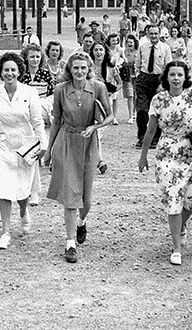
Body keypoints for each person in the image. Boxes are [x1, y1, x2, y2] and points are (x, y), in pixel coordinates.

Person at [138, 61, 192, 265]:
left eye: (179, 75)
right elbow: (150, 130)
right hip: (166, 152)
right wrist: (143, 155)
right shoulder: (158, 100)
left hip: (190, 151)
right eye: (172, 74)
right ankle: (176, 248)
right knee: (173, 198)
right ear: (166, 77)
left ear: (185, 77)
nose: (176, 78)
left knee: (189, 201)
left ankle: (181, 226)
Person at [43, 52, 113, 263]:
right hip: (66, 140)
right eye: (75, 68)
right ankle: (70, 243)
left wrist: (95, 127)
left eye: (83, 68)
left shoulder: (98, 87)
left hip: (89, 142)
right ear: (69, 70)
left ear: (89, 69)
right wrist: (48, 151)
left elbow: (110, 116)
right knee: (70, 196)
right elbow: (56, 121)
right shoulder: (60, 90)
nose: (79, 71)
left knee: (86, 200)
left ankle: (82, 222)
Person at [0, 53, 46, 249]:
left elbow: (37, 121)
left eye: (13, 70)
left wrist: (43, 145)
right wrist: (0, 137)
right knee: (4, 188)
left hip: (25, 144)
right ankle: (5, 231)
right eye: (6, 70)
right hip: (3, 145)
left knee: (22, 187)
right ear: (1, 72)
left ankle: (23, 211)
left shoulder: (29, 92)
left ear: (19, 72)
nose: (10, 73)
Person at [20, 43, 55, 205]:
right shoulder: (22, 75)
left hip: (41, 115)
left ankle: (35, 191)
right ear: (26, 58)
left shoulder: (46, 75)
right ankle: (26, 189)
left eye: (37, 57)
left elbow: (51, 95)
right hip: (25, 117)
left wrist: (41, 107)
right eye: (32, 57)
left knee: (36, 153)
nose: (35, 60)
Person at [134, 26, 172, 149]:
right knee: (142, 110)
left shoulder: (165, 48)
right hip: (144, 79)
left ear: (159, 34)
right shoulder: (143, 47)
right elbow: (137, 63)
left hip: (158, 79)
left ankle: (155, 138)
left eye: (156, 33)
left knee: (157, 110)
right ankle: (142, 137)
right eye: (151, 34)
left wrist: (163, 84)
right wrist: (138, 76)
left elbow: (168, 67)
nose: (154, 36)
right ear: (148, 34)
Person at [90, 41, 117, 174]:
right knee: (94, 132)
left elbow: (120, 83)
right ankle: (99, 160)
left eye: (101, 50)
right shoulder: (88, 67)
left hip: (105, 102)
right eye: (96, 50)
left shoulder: (110, 68)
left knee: (98, 131)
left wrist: (111, 92)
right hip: (90, 101)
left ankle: (98, 159)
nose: (99, 52)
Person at [122, 34, 138, 124]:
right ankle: (130, 115)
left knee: (136, 95)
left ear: (134, 43)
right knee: (130, 96)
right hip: (127, 76)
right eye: (128, 42)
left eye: (131, 42)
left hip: (136, 76)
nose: (129, 44)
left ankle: (134, 111)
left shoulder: (137, 52)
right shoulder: (124, 52)